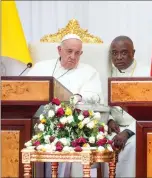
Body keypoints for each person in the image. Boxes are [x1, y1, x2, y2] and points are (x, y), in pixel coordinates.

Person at [27, 34, 104, 178]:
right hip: (38, 123)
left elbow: (96, 96)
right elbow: (25, 89)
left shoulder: (89, 72)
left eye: (77, 53)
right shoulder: (41, 67)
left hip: (71, 127)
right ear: (59, 50)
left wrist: (79, 96)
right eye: (69, 51)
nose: (73, 56)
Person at [104, 36, 150, 177]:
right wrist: (109, 120)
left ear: (133, 53)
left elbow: (150, 111)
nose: (118, 57)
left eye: (124, 53)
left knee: (132, 146)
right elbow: (102, 103)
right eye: (114, 53)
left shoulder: (147, 73)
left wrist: (127, 132)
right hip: (113, 127)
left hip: (138, 128)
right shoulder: (106, 72)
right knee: (102, 143)